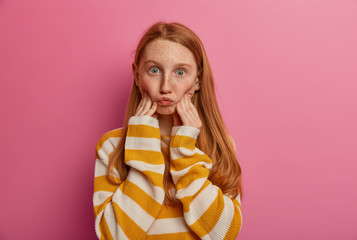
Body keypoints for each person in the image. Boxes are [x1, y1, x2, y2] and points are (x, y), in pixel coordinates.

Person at [93, 22, 243, 240]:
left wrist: (184, 151)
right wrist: (143, 145)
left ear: (197, 80)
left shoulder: (220, 144)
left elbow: (224, 233)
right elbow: (114, 236)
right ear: (137, 75)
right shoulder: (112, 146)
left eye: (180, 72)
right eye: (154, 70)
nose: (165, 86)